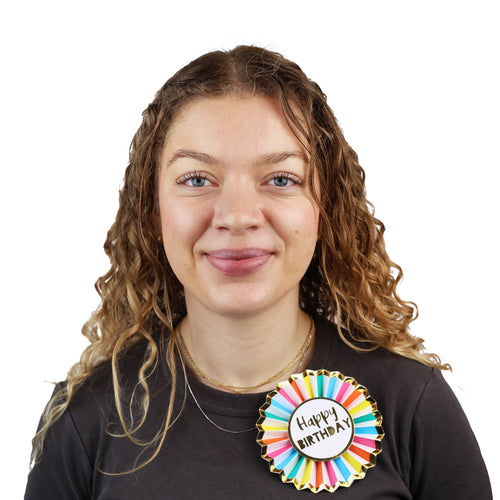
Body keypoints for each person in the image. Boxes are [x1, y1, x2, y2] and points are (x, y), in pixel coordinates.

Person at [25, 45, 491, 499]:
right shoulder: (85, 418)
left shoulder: (412, 403)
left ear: (324, 207)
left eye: (281, 179)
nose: (237, 216)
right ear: (152, 208)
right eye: (197, 179)